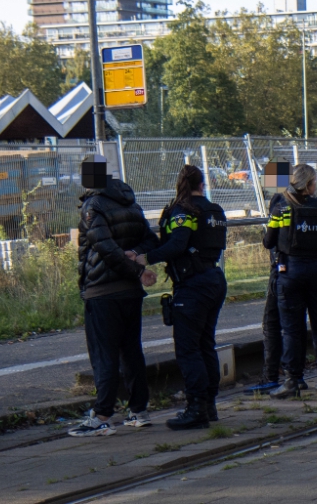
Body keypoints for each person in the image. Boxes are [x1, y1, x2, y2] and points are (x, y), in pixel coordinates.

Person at [130, 165, 229, 430]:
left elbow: (177, 244)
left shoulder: (183, 211)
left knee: (188, 349)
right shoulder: (215, 210)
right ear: (203, 185)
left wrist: (144, 258)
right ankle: (209, 406)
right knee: (206, 344)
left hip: (193, 285)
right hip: (214, 279)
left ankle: (196, 408)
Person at [70, 158, 158, 437]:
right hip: (130, 292)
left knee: (103, 353)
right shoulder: (129, 201)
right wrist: (137, 262)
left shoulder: (93, 206)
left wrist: (134, 268)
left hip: (102, 290)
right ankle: (138, 411)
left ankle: (102, 414)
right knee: (131, 351)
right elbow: (150, 240)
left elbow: (105, 248)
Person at [263, 164, 317, 398]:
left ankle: (292, 381)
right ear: (309, 184)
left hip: (291, 273)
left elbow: (268, 241)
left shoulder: (281, 208)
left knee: (292, 330)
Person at [246, 192, 286, 393]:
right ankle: (299, 376)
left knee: (271, 323)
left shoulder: (280, 207)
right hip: (309, 273)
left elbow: (268, 241)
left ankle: (271, 376)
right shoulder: (315, 206)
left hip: (282, 272)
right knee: (293, 325)